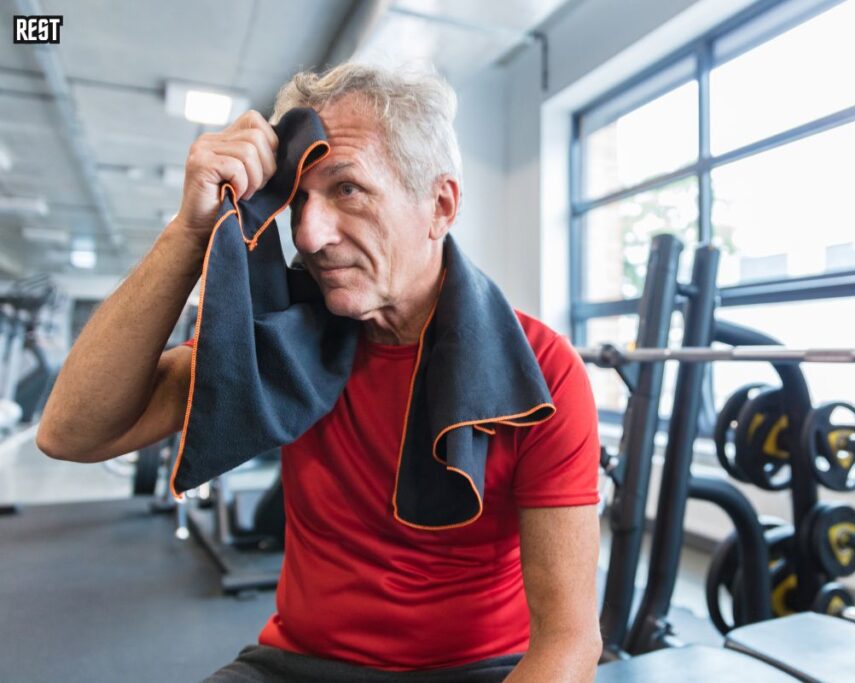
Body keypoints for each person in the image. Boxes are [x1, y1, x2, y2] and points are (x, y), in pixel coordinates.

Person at [36, 63, 602, 682]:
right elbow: (70, 433)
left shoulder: (543, 372)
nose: (308, 234)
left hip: (477, 671)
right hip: (298, 666)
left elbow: (569, 642)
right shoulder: (288, 335)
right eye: (299, 199)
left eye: (348, 190)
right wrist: (189, 232)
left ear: (440, 205)